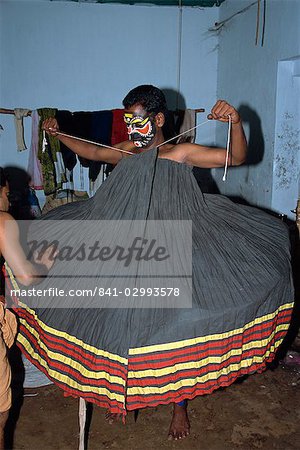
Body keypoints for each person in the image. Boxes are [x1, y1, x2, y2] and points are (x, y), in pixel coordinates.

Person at [6, 86, 293, 442]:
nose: (131, 130)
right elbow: (93, 150)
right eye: (127, 122)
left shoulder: (180, 152)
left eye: (137, 121)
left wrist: (235, 120)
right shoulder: (127, 151)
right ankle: (118, 392)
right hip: (122, 238)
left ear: (158, 119)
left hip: (176, 238)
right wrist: (59, 134)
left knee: (178, 322)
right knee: (115, 313)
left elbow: (235, 157)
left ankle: (179, 405)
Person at [0, 167, 56, 449]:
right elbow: (27, 278)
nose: (8, 202)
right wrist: (45, 263)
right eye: (7, 194)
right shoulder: (2, 221)